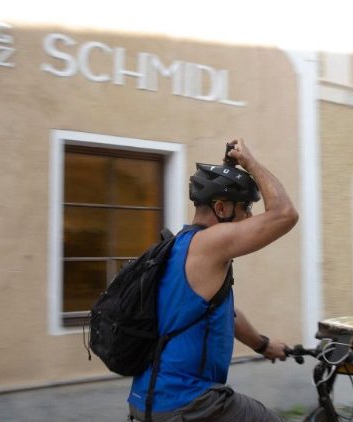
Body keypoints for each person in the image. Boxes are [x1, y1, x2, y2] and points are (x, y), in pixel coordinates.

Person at [128, 138, 299, 421]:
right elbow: (285, 214)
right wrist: (251, 162)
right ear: (221, 209)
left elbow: (225, 314)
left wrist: (263, 345)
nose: (250, 217)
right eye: (246, 208)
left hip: (147, 398)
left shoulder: (180, 246)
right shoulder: (210, 243)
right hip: (187, 400)